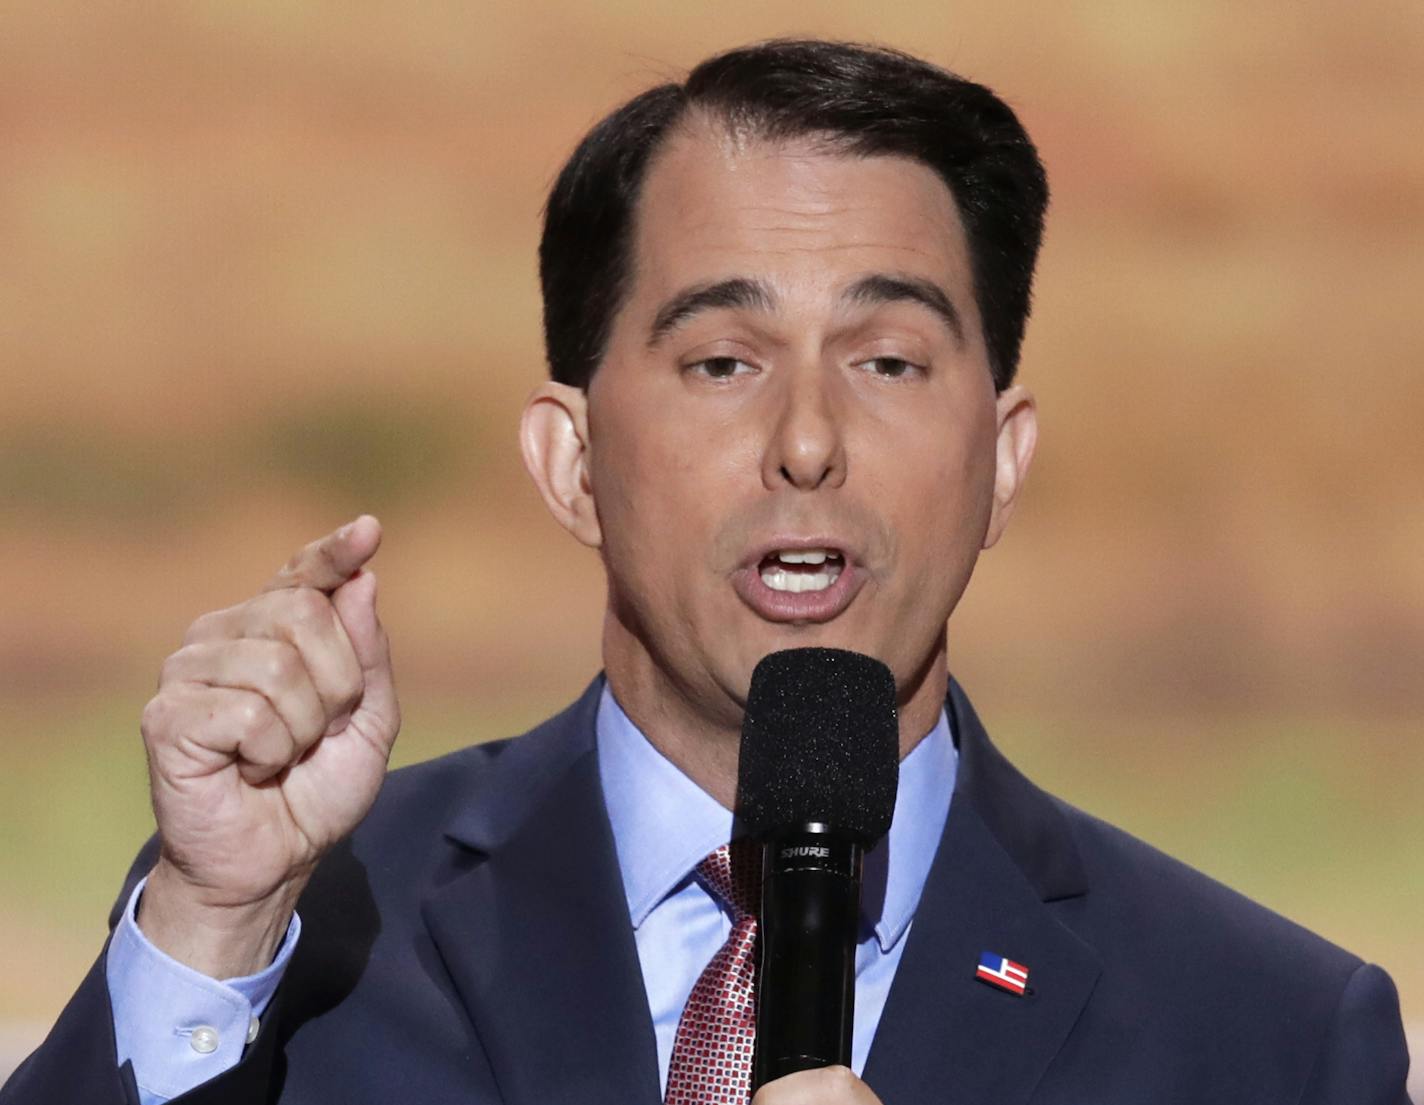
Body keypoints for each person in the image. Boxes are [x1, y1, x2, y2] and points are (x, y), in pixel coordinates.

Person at [1, 38, 1411, 1105]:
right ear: (572, 464)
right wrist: (212, 921)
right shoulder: (301, 935)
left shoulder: (1267, 1037)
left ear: (1003, 458)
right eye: (724, 362)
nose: (808, 441)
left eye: (890, 362)